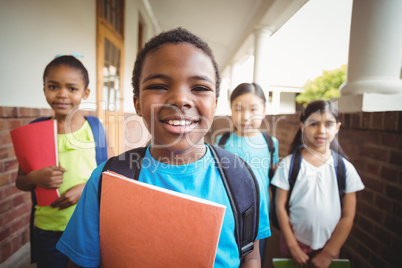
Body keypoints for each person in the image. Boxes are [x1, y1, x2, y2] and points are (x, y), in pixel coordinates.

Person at [56, 28, 270, 268]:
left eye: (199, 87)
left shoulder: (242, 180)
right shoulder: (107, 180)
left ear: (215, 104)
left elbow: (250, 256)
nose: (180, 99)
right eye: (159, 86)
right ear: (137, 103)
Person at [15, 55, 111, 268]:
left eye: (72, 88)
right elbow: (20, 182)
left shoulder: (95, 129)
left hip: (88, 227)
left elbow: (110, 175)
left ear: (85, 93)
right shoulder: (34, 132)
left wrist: (85, 188)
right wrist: (34, 177)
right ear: (44, 89)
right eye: (53, 86)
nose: (62, 94)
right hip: (48, 228)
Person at [271, 100, 364, 268]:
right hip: (293, 244)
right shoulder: (288, 165)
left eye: (328, 124)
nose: (321, 130)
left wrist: (329, 252)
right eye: (313, 124)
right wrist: (292, 245)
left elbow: (348, 216)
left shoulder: (346, 169)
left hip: (329, 247)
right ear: (302, 125)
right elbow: (280, 207)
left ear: (337, 128)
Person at [215, 82, 279, 264]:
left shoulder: (270, 143)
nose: (245, 117)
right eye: (238, 109)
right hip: (230, 216)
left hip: (260, 219)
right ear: (231, 111)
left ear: (264, 110)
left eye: (253, 109)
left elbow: (269, 178)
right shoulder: (223, 141)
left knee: (255, 258)